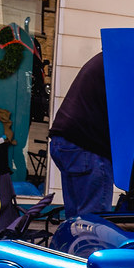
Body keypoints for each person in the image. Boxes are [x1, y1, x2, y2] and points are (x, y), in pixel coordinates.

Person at [48, 53, 112, 218]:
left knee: (76, 220)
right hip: (86, 145)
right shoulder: (121, 65)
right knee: (94, 224)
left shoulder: (105, 59)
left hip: (65, 141)